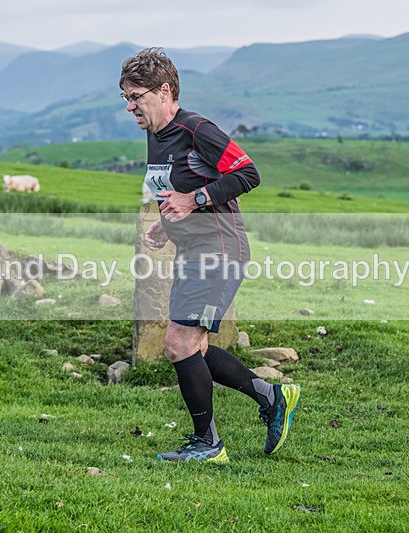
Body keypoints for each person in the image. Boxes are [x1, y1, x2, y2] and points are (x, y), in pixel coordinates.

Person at [119, 48, 301, 463]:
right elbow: (174, 189)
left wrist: (193, 200)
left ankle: (208, 444)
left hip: (219, 250)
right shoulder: (156, 134)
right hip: (192, 249)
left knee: (178, 344)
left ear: (164, 91)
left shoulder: (197, 129)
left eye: (136, 97)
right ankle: (272, 397)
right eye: (126, 98)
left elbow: (248, 173)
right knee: (193, 348)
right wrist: (166, 223)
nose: (130, 107)